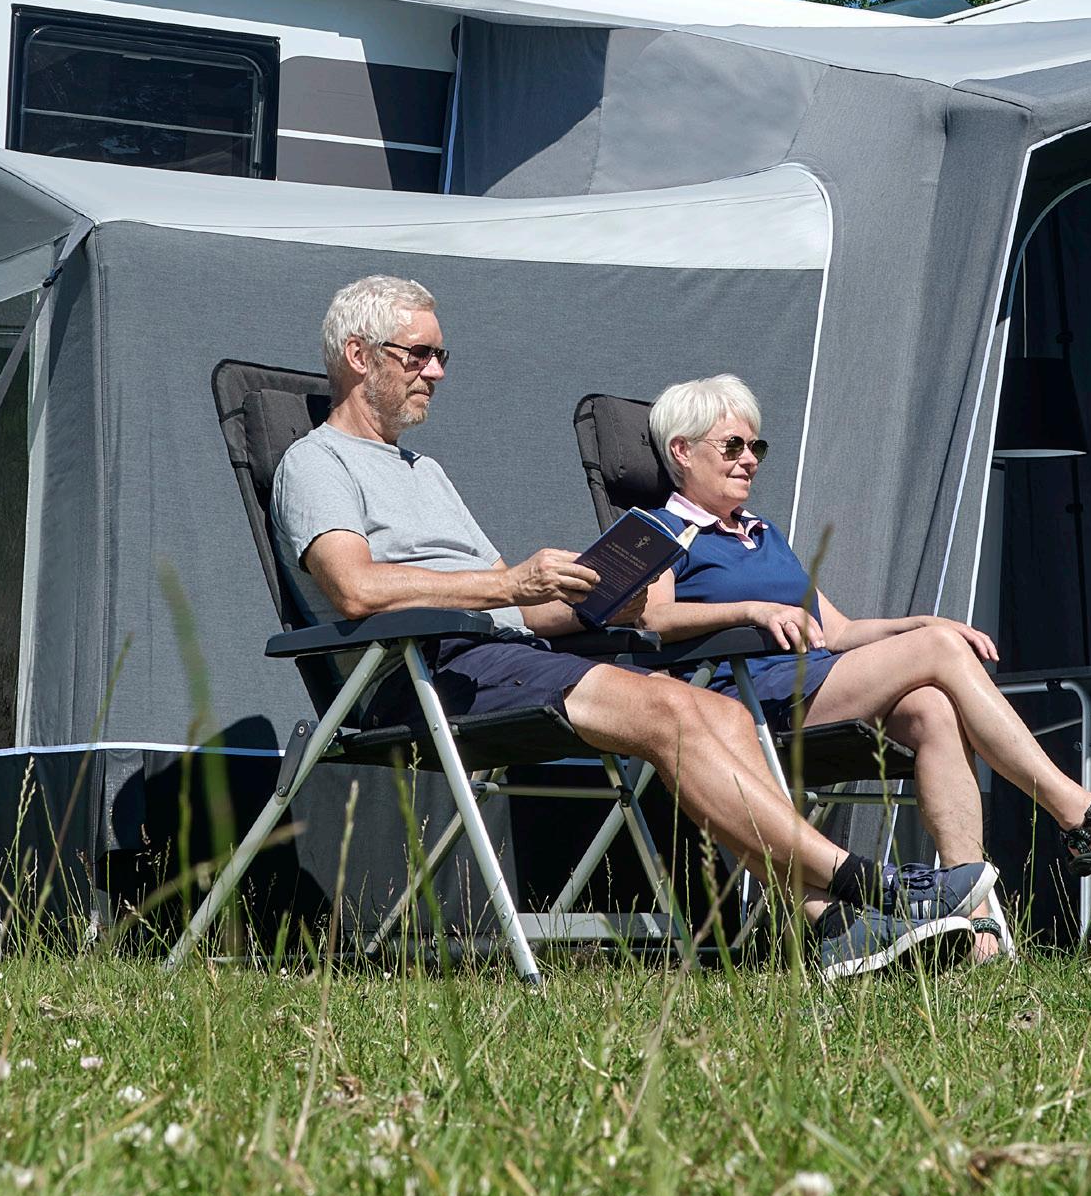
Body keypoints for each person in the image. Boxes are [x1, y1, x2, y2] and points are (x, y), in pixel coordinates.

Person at [271, 277, 993, 979]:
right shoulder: (315, 462)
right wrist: (509, 582)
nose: (435, 371)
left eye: (440, 355)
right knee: (670, 710)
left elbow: (519, 607)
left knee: (716, 711)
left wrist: (601, 597)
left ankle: (830, 926)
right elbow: (355, 589)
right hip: (417, 671)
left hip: (498, 654)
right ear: (358, 355)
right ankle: (874, 884)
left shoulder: (424, 471)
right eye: (418, 354)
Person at [635, 374, 1091, 959]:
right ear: (682, 451)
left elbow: (838, 631)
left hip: (813, 682)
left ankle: (976, 922)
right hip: (746, 702)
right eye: (733, 446)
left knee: (932, 707)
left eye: (756, 446)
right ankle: (1078, 813)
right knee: (939, 653)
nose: (749, 459)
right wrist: (749, 610)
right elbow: (651, 617)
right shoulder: (660, 530)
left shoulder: (762, 533)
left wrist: (921, 625)